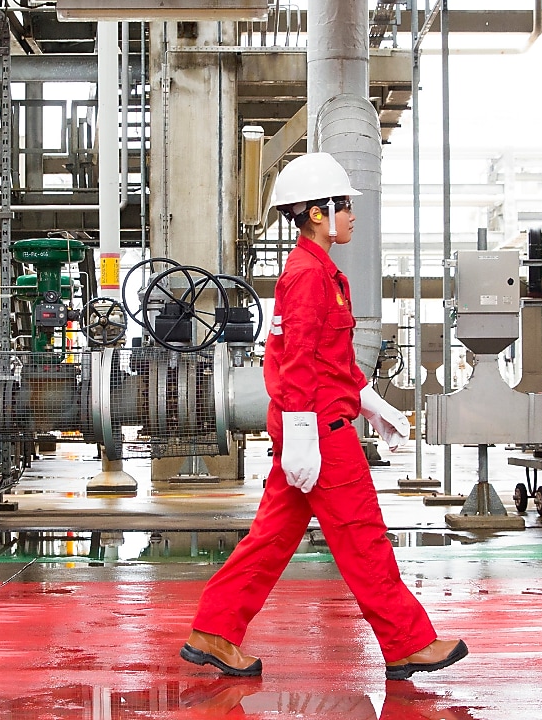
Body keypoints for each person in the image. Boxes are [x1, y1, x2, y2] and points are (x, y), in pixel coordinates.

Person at [180, 153, 467, 681]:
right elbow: (294, 364)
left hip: (319, 426)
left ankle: (213, 632)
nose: (352, 215)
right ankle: (407, 643)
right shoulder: (309, 277)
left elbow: (331, 364)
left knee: (269, 540)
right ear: (317, 213)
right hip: (323, 436)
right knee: (364, 540)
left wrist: (373, 404)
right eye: (343, 206)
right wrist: (304, 435)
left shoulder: (321, 274)